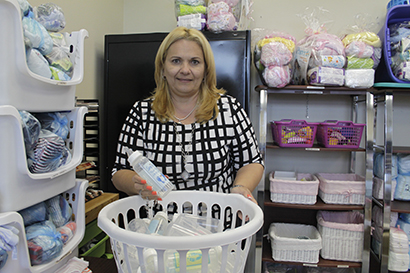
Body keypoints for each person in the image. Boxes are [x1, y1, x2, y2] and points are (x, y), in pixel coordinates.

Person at [111, 26, 264, 203]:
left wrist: (240, 188)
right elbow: (119, 172)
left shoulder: (229, 109)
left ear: (206, 70)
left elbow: (252, 162)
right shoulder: (141, 113)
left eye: (194, 62)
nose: (185, 70)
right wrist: (135, 184)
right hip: (160, 224)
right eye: (176, 61)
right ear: (162, 68)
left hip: (219, 221)